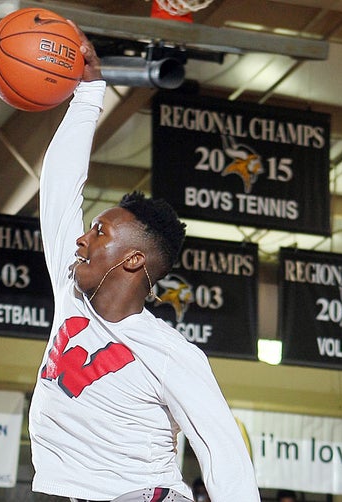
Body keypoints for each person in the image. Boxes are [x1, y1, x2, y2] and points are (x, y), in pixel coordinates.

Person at [28, 21, 259, 502]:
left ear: (132, 260)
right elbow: (58, 188)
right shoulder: (71, 290)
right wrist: (88, 94)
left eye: (99, 231)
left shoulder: (169, 352)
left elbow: (224, 452)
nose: (82, 239)